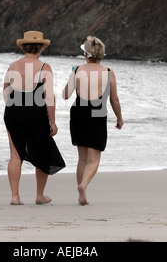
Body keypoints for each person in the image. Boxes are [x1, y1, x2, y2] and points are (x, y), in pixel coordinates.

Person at [3, 31, 65, 206]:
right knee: (41, 151)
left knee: (15, 155)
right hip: (36, 114)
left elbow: (5, 92)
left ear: (24, 47)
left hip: (13, 112)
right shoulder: (44, 67)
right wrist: (52, 121)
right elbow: (49, 97)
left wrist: (15, 109)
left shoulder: (12, 66)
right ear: (40, 48)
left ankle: (15, 197)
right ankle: (39, 195)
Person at [62, 36, 124, 205]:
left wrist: (71, 76)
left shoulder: (77, 71)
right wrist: (119, 118)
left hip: (78, 113)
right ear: (101, 54)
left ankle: (81, 193)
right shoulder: (109, 72)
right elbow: (114, 100)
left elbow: (65, 95)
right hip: (97, 113)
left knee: (82, 158)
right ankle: (83, 185)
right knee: (94, 159)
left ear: (86, 54)